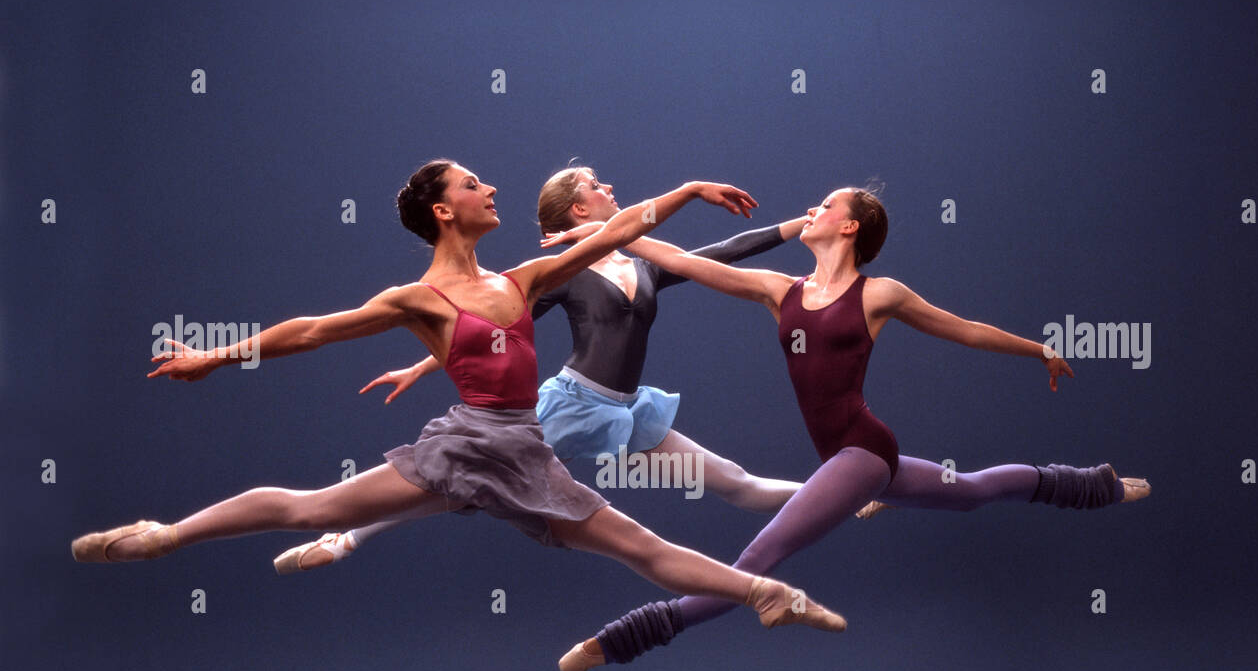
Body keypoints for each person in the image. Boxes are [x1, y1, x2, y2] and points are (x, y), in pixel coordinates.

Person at [69, 161, 847, 638]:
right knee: (314, 509)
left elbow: (616, 235)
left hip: (527, 449)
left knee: (640, 547)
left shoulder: (519, 280)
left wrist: (686, 190)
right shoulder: (420, 297)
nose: (492, 188)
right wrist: (216, 353)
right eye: (475, 184)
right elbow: (310, 331)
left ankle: (768, 592)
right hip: (468, 442)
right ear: (445, 209)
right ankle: (166, 534)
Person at [556, 184, 1150, 671]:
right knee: (971, 492)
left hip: (862, 452)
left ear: (850, 229)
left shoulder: (879, 294)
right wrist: (599, 237)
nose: (813, 210)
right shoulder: (780, 290)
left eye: (827, 206)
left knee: (758, 558)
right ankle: (1098, 485)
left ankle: (619, 641)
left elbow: (964, 329)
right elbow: (685, 261)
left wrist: (1038, 349)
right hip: (856, 458)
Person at [271, 165, 880, 575]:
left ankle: (843, 493)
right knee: (467, 490)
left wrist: (795, 227)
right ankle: (344, 536)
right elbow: (485, 328)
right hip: (571, 404)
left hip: (628, 409)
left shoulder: (647, 265)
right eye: (594, 184)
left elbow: (717, 255)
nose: (607, 186)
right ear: (574, 209)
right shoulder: (564, 272)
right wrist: (421, 365)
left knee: (737, 482)